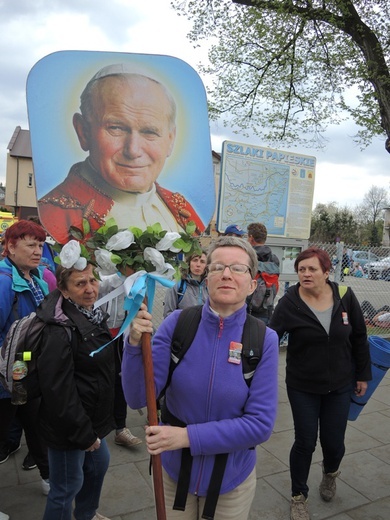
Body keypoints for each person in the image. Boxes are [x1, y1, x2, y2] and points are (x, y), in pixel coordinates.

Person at [122, 236, 279, 519]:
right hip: (171, 475)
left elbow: (259, 426)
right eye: (217, 267)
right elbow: (136, 397)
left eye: (238, 268)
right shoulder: (178, 324)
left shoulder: (263, 339)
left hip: (231, 482)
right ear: (206, 278)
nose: (227, 274)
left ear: (252, 284)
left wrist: (186, 437)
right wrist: (133, 345)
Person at [38, 64, 205, 244]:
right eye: (116, 128)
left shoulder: (182, 210)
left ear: (170, 139)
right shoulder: (54, 214)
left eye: (149, 132)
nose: (133, 150)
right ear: (83, 131)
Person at [269, 247, 371, 520]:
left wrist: (362, 375)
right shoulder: (290, 302)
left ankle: (330, 473)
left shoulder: (344, 295)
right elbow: (269, 339)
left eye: (312, 269)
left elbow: (360, 336)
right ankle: (298, 495)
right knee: (304, 441)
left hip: (340, 383)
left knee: (334, 441)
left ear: (327, 272)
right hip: (302, 384)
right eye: (302, 269)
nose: (305, 273)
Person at [36, 262, 115, 520]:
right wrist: (83, 434)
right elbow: (58, 392)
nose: (90, 288)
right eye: (80, 283)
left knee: (98, 465)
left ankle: (86, 514)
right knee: (66, 486)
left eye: (92, 280)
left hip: (90, 418)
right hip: (69, 426)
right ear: (65, 291)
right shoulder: (60, 328)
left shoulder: (91, 314)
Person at [0, 220, 56, 495]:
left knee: (35, 427)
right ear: (10, 246)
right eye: (31, 244)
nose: (38, 251)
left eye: (41, 245)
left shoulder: (38, 281)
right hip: (6, 375)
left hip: (28, 372)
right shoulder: (3, 282)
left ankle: (47, 479)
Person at [99, 273, 142, 448]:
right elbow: (102, 286)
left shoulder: (132, 272)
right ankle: (94, 428)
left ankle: (120, 428)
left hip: (121, 334)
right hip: (98, 333)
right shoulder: (100, 269)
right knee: (97, 381)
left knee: (120, 379)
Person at [246, 222, 280, 324]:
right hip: (267, 310)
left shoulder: (247, 257)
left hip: (248, 310)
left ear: (251, 238)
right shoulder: (274, 259)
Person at [163, 249, 208, 318]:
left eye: (202, 262)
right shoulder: (177, 285)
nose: (198, 265)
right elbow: (168, 314)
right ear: (188, 263)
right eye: (195, 260)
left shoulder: (209, 286)